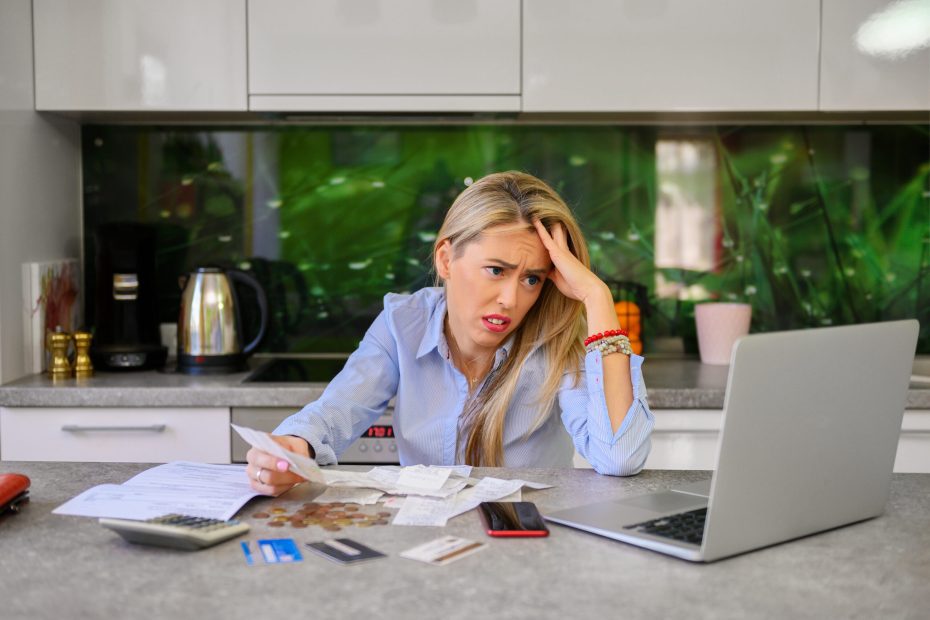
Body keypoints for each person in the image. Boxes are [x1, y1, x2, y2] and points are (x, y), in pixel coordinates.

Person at [247, 171, 654, 496]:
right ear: (446, 258)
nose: (511, 299)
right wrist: (291, 449)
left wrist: (597, 297)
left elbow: (619, 457)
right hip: (426, 544)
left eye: (532, 279)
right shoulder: (402, 323)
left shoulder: (557, 336)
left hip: (533, 545)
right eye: (496, 270)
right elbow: (335, 411)